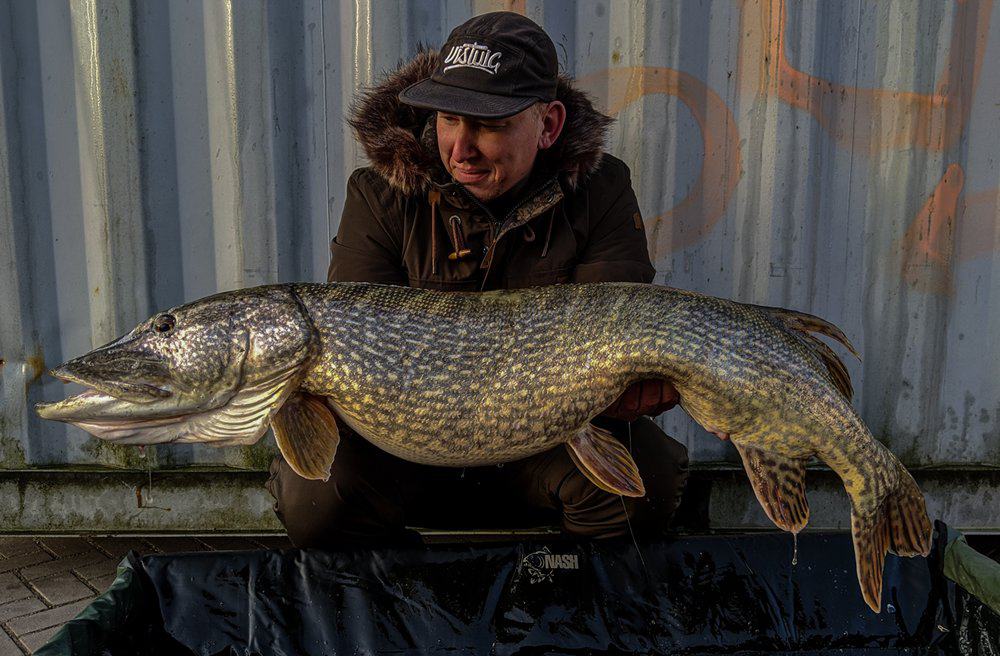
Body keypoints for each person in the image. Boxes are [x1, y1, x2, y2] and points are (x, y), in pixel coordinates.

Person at [267, 12, 689, 548]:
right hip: (407, 448)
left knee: (642, 491)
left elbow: (620, 338)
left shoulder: (602, 191)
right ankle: (412, 603)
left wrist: (628, 390)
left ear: (549, 125)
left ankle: (556, 603)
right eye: (447, 117)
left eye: (489, 125)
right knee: (314, 500)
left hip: (545, 441)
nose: (461, 149)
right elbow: (355, 354)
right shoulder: (379, 195)